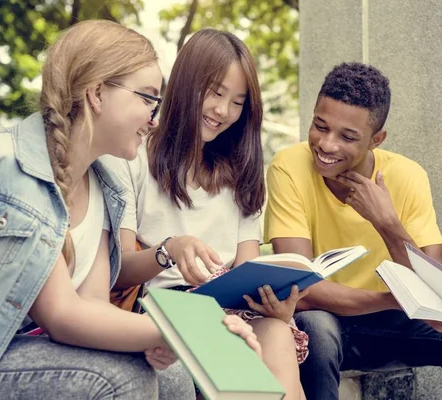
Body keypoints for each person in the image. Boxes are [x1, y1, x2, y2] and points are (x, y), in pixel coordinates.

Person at [0, 20, 260, 400]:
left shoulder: (103, 183)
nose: (154, 117)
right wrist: (191, 331)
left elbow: (93, 304)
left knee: (171, 375)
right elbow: (62, 315)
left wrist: (170, 339)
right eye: (147, 98)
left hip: (28, 345)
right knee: (123, 377)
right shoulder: (14, 166)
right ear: (97, 94)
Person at [264, 62, 442, 400]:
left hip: (388, 325)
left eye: (347, 137)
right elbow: (300, 286)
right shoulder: (289, 166)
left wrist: (387, 223)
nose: (327, 145)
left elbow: (437, 290)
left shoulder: (407, 176)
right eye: (320, 126)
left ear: (377, 139)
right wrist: (393, 300)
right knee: (316, 327)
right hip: (327, 324)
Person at [102, 29, 307, 400]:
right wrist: (170, 249)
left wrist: (275, 301)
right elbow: (119, 270)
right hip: (166, 308)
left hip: (228, 309)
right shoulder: (134, 154)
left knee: (276, 332)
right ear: (185, 83)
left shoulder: (240, 172)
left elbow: (246, 271)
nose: (222, 111)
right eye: (215, 92)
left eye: (237, 102)